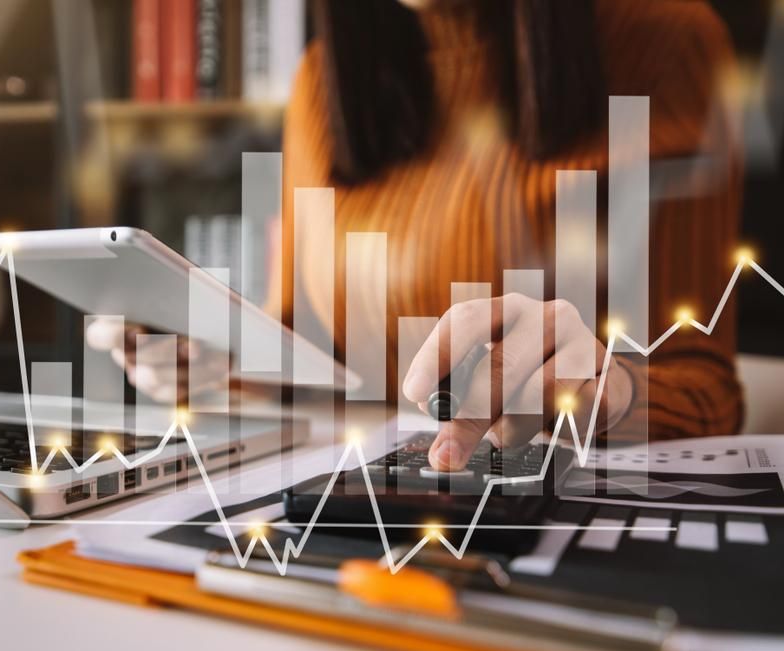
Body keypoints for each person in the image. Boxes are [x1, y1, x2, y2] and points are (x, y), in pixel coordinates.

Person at [89, 0, 743, 472]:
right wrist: (216, 355)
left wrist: (605, 387)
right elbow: (303, 345)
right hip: (366, 502)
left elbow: (707, 391)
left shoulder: (668, 41)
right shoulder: (322, 82)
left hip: (556, 512)